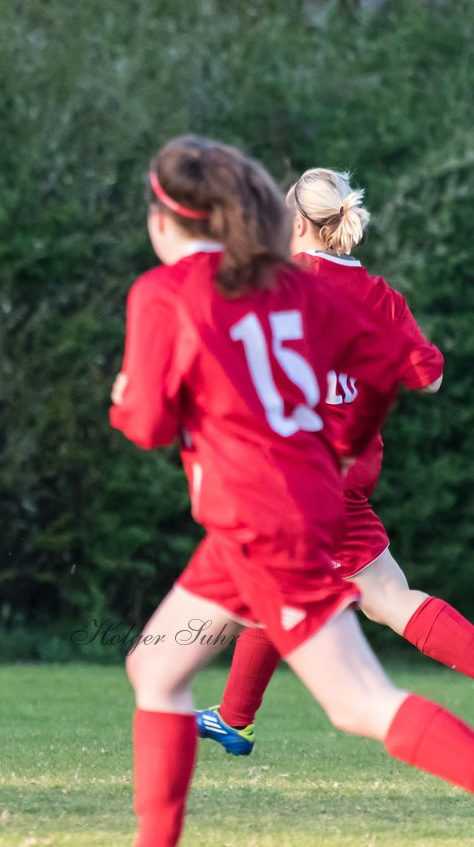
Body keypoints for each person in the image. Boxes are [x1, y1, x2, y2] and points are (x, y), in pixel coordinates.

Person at [111, 135, 474, 846]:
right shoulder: (290, 283)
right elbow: (383, 363)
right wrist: (349, 441)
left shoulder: (165, 291)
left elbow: (149, 425)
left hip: (259, 514)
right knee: (154, 665)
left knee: (361, 701)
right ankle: (208, 760)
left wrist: (126, 400)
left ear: (164, 219)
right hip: (282, 506)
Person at [196, 168, 474, 757]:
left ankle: (234, 718)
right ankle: (234, 719)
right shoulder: (379, 297)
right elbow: (431, 378)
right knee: (355, 593)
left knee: (359, 597)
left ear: (295, 221)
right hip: (342, 481)